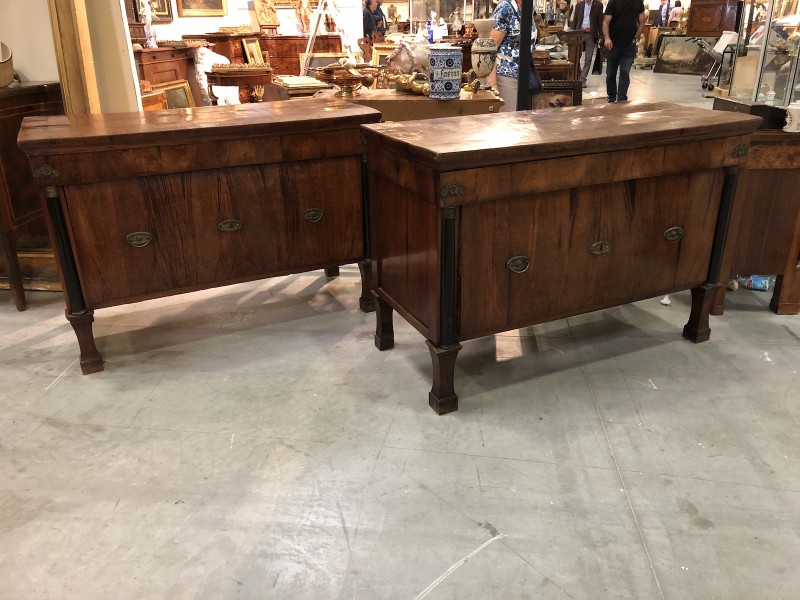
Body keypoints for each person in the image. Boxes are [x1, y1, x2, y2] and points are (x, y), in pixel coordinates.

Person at [489, 0, 538, 112]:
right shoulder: (505, 7)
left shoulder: (527, 7)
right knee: (509, 119)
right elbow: (490, 47)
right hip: (506, 78)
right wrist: (492, 85)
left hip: (524, 77)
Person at [603, 0, 646, 102]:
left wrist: (636, 37)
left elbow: (642, 21)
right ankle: (611, 97)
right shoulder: (613, 2)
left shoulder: (638, 2)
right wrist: (607, 38)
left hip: (629, 45)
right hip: (613, 44)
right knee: (610, 74)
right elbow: (606, 21)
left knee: (624, 73)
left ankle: (621, 99)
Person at [570, 0, 604, 87]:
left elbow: (600, 21)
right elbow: (575, 19)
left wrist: (601, 36)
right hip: (579, 33)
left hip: (591, 34)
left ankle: (583, 78)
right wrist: (572, 33)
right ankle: (579, 74)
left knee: (588, 58)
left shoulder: (598, 5)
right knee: (576, 57)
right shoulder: (579, 5)